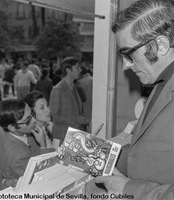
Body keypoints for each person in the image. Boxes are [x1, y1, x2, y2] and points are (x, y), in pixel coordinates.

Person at [87, 0, 174, 199]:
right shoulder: (160, 82)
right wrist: (94, 154)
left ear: (161, 44)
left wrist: (128, 190)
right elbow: (150, 153)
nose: (126, 66)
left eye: (129, 53)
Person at [0, 99, 55, 181]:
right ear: (12, 127)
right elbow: (42, 173)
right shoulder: (18, 157)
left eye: (32, 113)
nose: (34, 120)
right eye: (28, 120)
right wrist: (43, 145)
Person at [49, 57, 89, 147]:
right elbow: (54, 117)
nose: (80, 70)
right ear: (68, 70)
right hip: (63, 138)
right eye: (77, 67)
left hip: (74, 137)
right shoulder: (58, 89)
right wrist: (76, 119)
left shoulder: (74, 87)